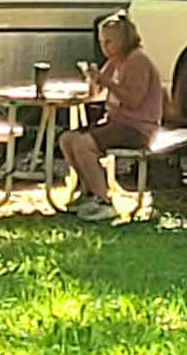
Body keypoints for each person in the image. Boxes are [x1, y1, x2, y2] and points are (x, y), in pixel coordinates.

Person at [61, 12, 165, 222]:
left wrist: (106, 82)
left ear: (124, 40)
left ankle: (105, 201)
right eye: (101, 42)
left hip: (138, 128)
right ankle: (88, 191)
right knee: (67, 139)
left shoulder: (137, 61)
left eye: (109, 42)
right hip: (116, 122)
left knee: (83, 145)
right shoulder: (114, 61)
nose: (104, 47)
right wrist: (93, 79)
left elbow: (133, 100)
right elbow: (95, 93)